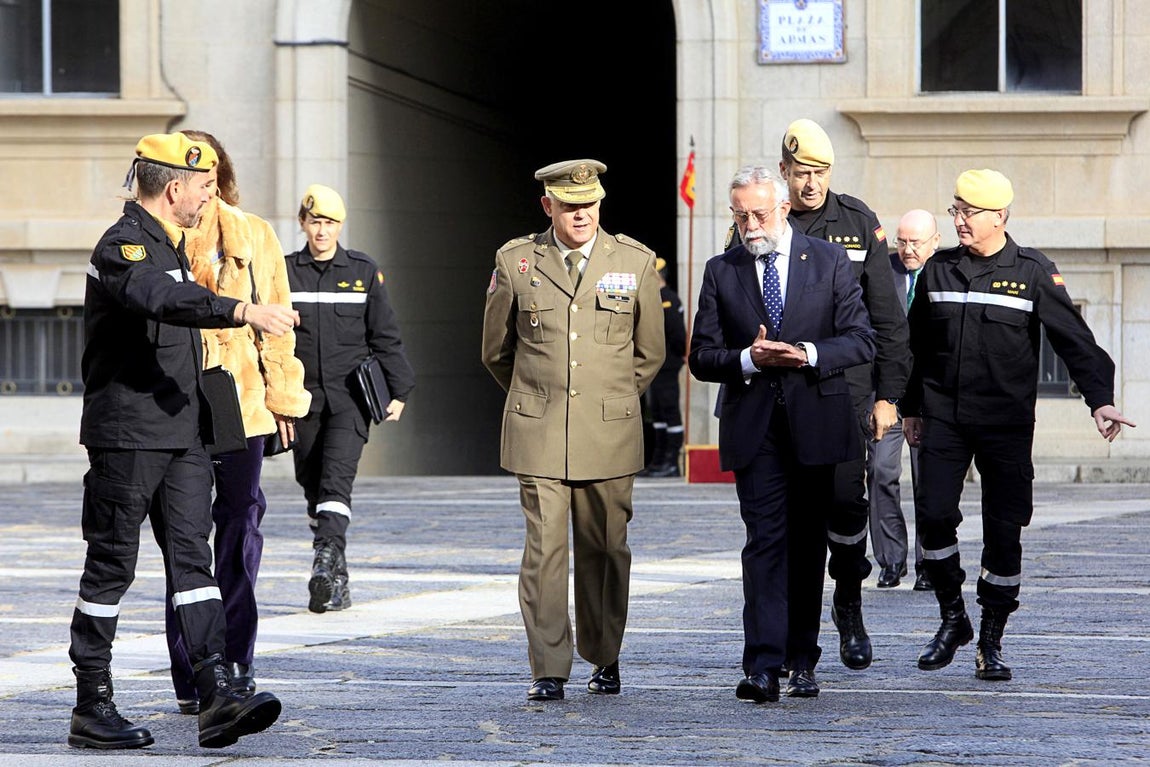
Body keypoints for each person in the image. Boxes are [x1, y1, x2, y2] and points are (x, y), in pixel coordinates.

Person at [69, 132, 297, 749]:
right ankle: (92, 705)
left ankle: (215, 692)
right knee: (111, 566)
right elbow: (161, 299)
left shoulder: (169, 244)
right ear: (175, 188)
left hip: (182, 433)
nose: (210, 196)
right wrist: (240, 311)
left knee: (194, 566)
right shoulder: (124, 246)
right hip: (130, 435)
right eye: (203, 186)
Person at [902, 169, 1135, 681]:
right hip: (943, 418)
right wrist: (910, 406)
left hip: (1004, 422)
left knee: (1004, 532)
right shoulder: (938, 271)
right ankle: (952, 617)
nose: (960, 221)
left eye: (970, 213)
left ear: (1000, 216)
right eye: (955, 210)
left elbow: (1073, 338)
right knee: (935, 515)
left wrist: (1099, 400)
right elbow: (914, 347)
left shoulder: (1032, 271)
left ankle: (991, 638)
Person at [688, 166, 875, 703]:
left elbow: (860, 339)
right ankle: (762, 666)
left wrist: (806, 355)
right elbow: (702, 355)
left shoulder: (830, 260)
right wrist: (749, 357)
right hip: (756, 426)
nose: (750, 224)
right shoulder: (722, 270)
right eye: (741, 214)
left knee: (807, 544)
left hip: (817, 420)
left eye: (760, 214)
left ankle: (802, 659)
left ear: (784, 209)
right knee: (764, 543)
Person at [481, 159, 665, 701]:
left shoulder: (632, 261)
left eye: (589, 204)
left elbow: (649, 352)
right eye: (569, 205)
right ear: (548, 207)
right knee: (544, 551)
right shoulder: (516, 261)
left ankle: (604, 656)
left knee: (606, 548)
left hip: (609, 431)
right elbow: (496, 350)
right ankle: (548, 666)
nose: (581, 214)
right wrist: (538, 397)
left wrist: (607, 400)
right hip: (539, 431)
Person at [159, 130, 312, 714]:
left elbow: (277, 325)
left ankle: (237, 659)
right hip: (176, 402)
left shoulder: (255, 233)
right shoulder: (156, 236)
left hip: (241, 404)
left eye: (211, 170)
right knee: (183, 537)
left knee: (241, 527)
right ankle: (193, 670)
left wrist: (283, 400)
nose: (205, 181)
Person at [777, 118, 911, 671]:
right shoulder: (765, 219)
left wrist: (889, 397)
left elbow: (889, 319)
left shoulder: (858, 222)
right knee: (785, 517)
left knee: (844, 502)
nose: (811, 183)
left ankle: (849, 603)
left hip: (846, 392)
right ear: (784, 172)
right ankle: (788, 632)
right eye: (802, 172)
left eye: (821, 172)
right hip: (783, 393)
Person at [285, 184, 416, 614]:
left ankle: (323, 559)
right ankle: (335, 579)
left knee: (336, 480)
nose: (322, 230)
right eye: (315, 221)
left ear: (340, 226)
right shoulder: (283, 273)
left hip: (349, 400)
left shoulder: (362, 271)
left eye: (329, 223)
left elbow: (385, 334)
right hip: (303, 400)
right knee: (312, 483)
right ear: (302, 223)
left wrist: (399, 390)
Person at [867, 209, 940, 591]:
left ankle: (929, 560)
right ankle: (890, 560)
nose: (908, 249)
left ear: (935, 241)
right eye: (902, 241)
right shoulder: (883, 271)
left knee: (929, 481)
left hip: (930, 400)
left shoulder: (946, 273)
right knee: (880, 472)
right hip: (888, 396)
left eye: (916, 242)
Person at [638, 256, 686, 477]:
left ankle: (671, 462)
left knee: (669, 411)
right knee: (656, 413)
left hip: (667, 365)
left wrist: (678, 355)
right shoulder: (652, 298)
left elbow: (677, 334)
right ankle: (658, 461)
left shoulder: (668, 299)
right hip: (654, 365)